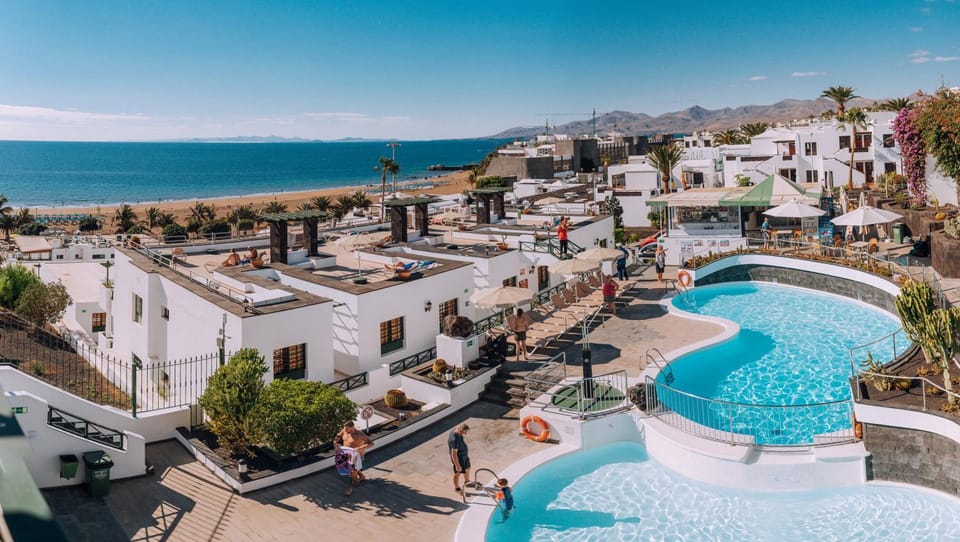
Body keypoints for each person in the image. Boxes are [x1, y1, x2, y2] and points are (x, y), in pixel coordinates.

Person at [449, 423, 471, 493]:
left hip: (464, 455)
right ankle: (457, 488)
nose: (466, 434)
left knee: (468, 468)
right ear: (460, 430)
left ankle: (467, 482)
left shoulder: (456, 430)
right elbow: (454, 454)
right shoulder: (454, 440)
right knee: (457, 473)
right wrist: (457, 465)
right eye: (465, 432)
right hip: (459, 458)